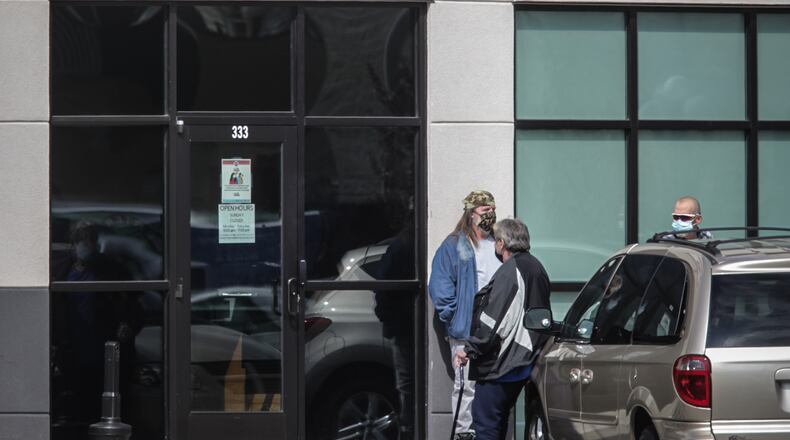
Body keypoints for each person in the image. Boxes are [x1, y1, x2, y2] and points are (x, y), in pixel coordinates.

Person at [454, 218, 551, 440]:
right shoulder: (536, 267)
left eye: (496, 240)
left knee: (486, 425)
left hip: (502, 363)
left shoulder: (510, 271)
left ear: (501, 243)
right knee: (498, 423)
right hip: (524, 362)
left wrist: (469, 349)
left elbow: (494, 321)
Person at [429, 190, 501, 440]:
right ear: (471, 214)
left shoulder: (500, 244)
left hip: (496, 329)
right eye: (485, 211)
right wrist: (455, 316)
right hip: (466, 328)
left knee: (493, 385)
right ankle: (464, 434)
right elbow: (440, 287)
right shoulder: (454, 246)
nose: (490, 216)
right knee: (466, 385)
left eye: (492, 210)